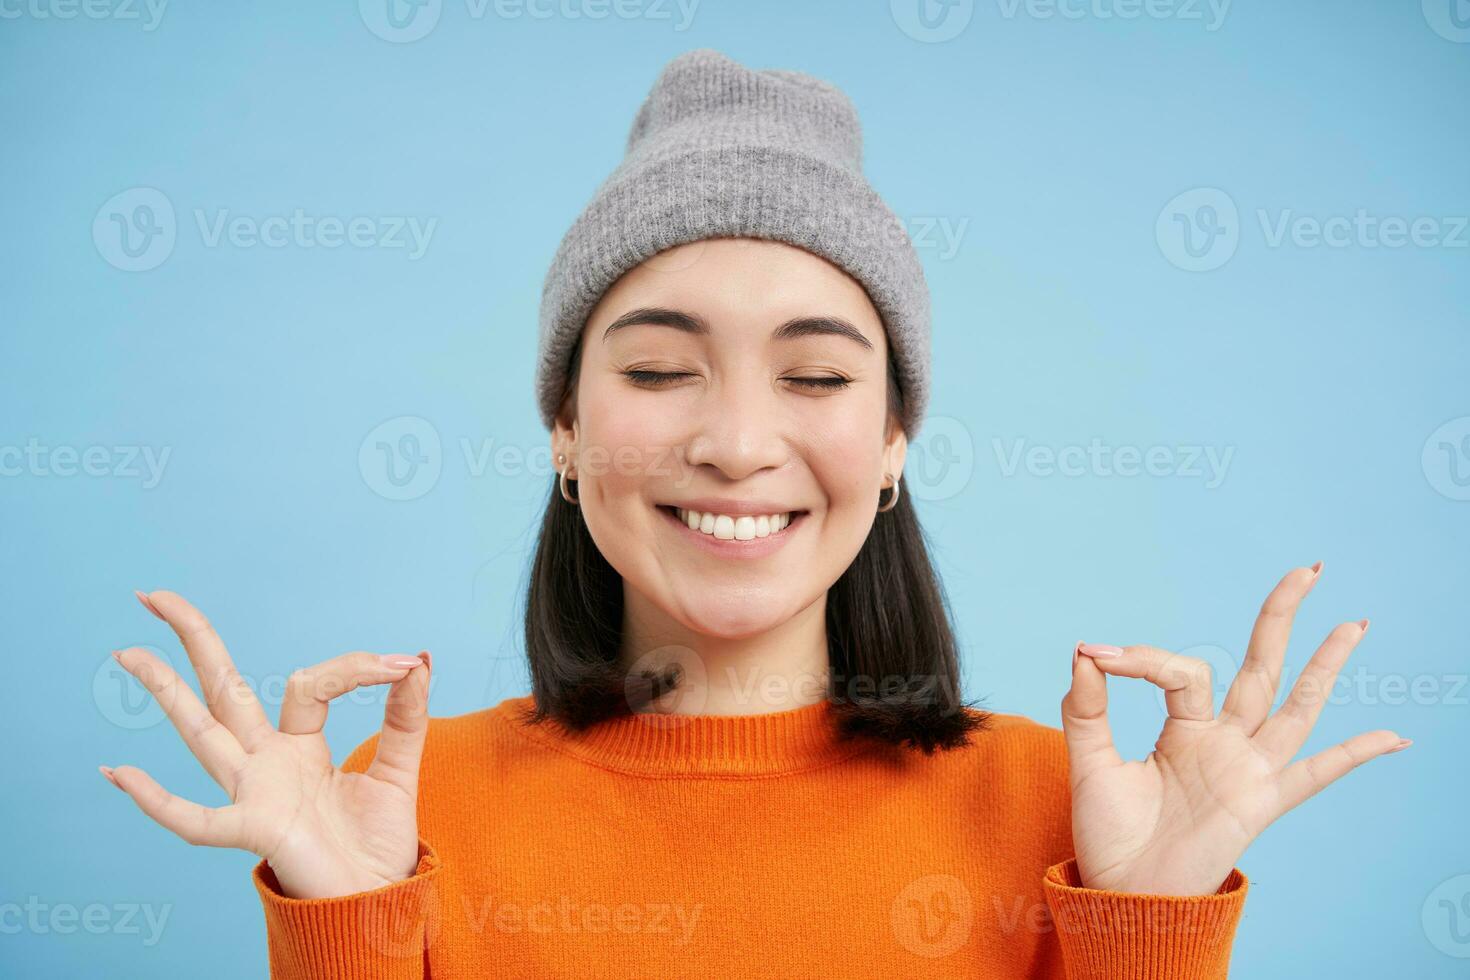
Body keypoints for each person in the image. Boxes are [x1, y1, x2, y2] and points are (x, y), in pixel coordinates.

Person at [100, 48, 1408, 978]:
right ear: (563, 426)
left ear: (893, 439)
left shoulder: (1075, 813)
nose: (733, 443)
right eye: (660, 371)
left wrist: (1151, 926)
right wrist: (351, 925)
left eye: (818, 376)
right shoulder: (399, 807)